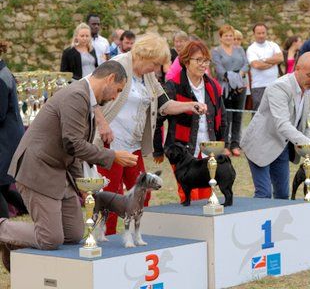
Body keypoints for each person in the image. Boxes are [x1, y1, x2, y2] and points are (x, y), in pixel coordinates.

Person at [0, 61, 138, 272]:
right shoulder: (76, 96)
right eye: (118, 91)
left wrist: (82, 187)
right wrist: (112, 156)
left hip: (59, 173)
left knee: (73, 235)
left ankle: (15, 241)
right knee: (50, 239)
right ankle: (3, 228)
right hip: (36, 171)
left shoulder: (85, 98)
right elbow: (73, 143)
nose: (114, 97)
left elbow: (72, 152)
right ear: (109, 79)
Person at [94, 33, 207, 236]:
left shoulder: (148, 76)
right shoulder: (116, 65)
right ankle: (105, 240)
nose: (156, 69)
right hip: (110, 144)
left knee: (143, 194)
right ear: (144, 55)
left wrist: (190, 105)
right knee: (112, 197)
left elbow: (165, 103)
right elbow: (88, 93)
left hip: (133, 144)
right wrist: (102, 124)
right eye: (154, 64)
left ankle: (136, 235)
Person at [240, 52, 310, 199]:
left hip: (281, 145)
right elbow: (282, 124)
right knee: (264, 194)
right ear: (298, 68)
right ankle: (258, 222)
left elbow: (306, 123)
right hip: (260, 144)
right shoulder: (279, 87)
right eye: (309, 75)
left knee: (282, 195)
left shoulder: (309, 89)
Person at [159, 40, 226, 203]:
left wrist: (221, 144)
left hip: (208, 149)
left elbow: (222, 117)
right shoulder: (173, 85)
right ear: (186, 61)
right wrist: (156, 148)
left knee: (207, 194)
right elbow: (159, 115)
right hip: (182, 150)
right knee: (188, 195)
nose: (203, 65)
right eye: (198, 60)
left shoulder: (214, 87)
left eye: (206, 60)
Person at [211, 24, 249, 157]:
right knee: (225, 117)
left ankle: (235, 144)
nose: (229, 38)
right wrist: (231, 77)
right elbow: (219, 68)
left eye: (231, 35)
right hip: (225, 87)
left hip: (240, 86)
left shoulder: (240, 50)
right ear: (221, 37)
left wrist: (240, 75)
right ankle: (225, 144)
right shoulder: (216, 51)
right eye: (226, 35)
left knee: (238, 116)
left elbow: (246, 64)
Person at [0, 40, 28, 219]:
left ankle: (4, 231)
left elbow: (0, 114)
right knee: (3, 187)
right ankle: (33, 211)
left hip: (6, 140)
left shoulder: (1, 77)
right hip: (10, 137)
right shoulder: (4, 72)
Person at [246, 23, 283, 110]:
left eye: (263, 33)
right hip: (258, 86)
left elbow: (280, 58)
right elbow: (256, 65)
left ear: (266, 33)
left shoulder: (273, 45)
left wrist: (264, 60)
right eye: (259, 33)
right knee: (259, 113)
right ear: (254, 34)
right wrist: (273, 62)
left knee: (274, 111)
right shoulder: (251, 49)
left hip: (274, 85)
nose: (261, 35)